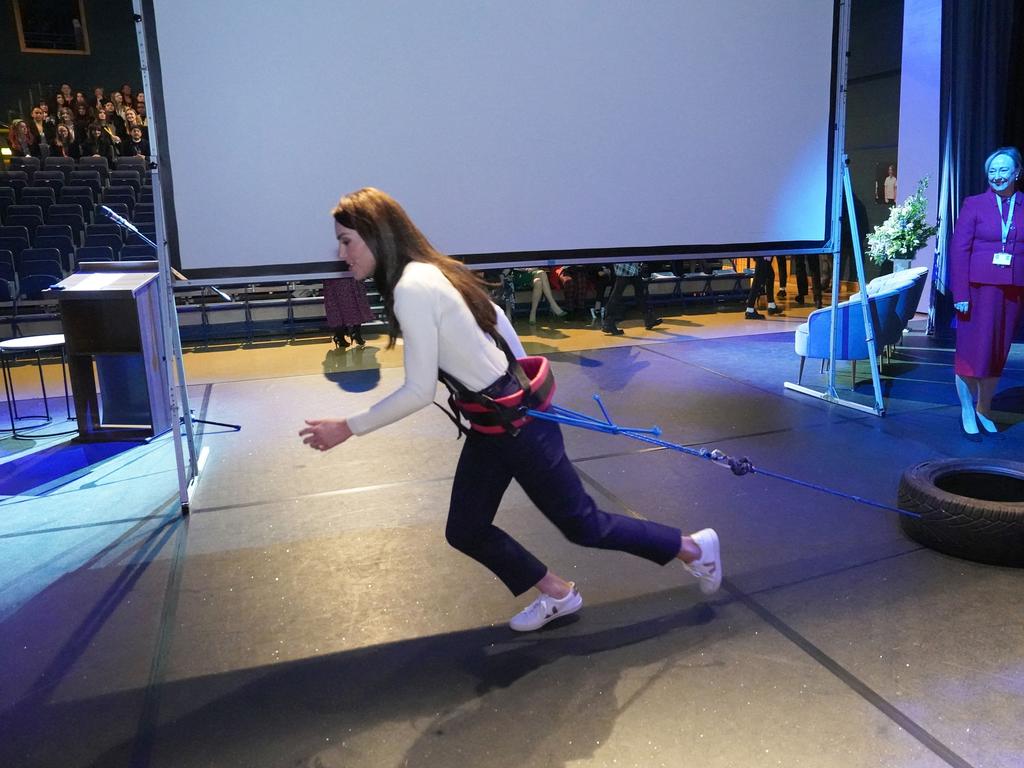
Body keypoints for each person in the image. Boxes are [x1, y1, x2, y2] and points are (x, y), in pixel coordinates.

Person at [300, 188, 722, 631]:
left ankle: (693, 548)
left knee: (584, 525)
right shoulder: (433, 270)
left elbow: (419, 391)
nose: (341, 252)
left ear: (375, 234)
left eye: (347, 240)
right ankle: (558, 593)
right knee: (466, 529)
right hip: (493, 422)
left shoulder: (412, 287)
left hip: (515, 426)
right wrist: (513, 386)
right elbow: (497, 320)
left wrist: (349, 426)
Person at [949, 146, 1024, 437]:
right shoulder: (974, 204)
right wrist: (961, 294)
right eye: (992, 171)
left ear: (1017, 172)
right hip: (977, 292)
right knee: (971, 353)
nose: (997, 176)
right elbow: (960, 249)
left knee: (996, 353)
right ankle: (967, 408)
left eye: (1004, 170)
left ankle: (984, 408)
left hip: (1012, 292)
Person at [322, 264, 375, 348]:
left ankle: (340, 336)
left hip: (335, 274)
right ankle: (354, 334)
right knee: (355, 303)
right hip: (344, 273)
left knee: (337, 306)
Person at [601, 262, 661, 335]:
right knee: (617, 295)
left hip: (633, 268)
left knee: (640, 292)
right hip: (624, 267)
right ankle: (608, 322)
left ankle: (649, 319)